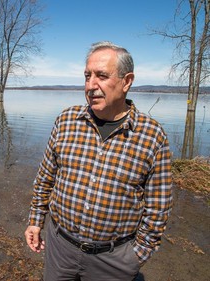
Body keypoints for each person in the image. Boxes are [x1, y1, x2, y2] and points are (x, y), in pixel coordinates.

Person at [24, 41, 173, 281]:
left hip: (113, 261)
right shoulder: (66, 121)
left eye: (102, 76)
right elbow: (45, 178)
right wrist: (35, 221)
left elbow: (158, 208)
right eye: (87, 76)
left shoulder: (152, 136)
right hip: (60, 249)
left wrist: (135, 256)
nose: (91, 85)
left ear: (127, 81)